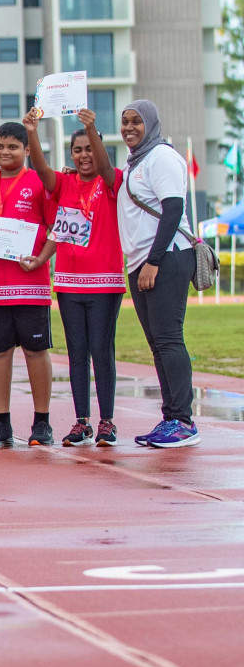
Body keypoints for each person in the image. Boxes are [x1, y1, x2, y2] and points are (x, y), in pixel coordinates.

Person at [25, 108, 122, 447]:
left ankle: (107, 421)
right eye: (78, 150)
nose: (84, 156)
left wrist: (91, 127)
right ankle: (82, 422)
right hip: (68, 282)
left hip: (105, 281)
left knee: (101, 350)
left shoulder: (112, 181)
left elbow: (106, 167)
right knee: (77, 352)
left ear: (99, 149)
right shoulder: (64, 183)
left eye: (90, 149)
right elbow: (40, 168)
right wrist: (32, 132)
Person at [0, 122, 57, 447]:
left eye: (13, 147)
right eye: (0, 146)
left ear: (28, 150)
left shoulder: (39, 182)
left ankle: (42, 423)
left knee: (36, 351)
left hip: (30, 284)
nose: (5, 152)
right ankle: (1, 423)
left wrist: (41, 260)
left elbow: (53, 228)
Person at [116, 99, 200, 448]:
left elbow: (173, 209)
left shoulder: (161, 157)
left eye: (137, 121)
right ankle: (170, 417)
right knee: (158, 344)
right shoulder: (137, 161)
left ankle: (183, 421)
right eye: (125, 122)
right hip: (143, 260)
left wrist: (153, 260)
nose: (129, 128)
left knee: (168, 339)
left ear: (150, 124)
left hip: (165, 258)